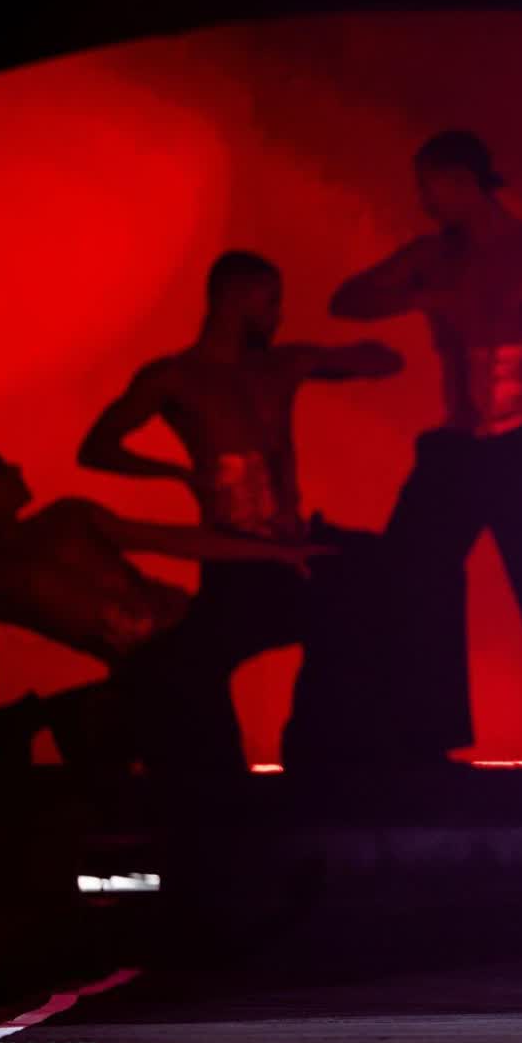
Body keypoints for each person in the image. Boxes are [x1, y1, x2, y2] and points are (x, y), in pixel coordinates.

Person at [330, 131, 522, 761]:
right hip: (459, 447)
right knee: (410, 574)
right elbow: (346, 300)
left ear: (461, 181)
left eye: (428, 185)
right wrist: (421, 293)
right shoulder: (434, 255)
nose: (424, 200)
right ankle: (422, 741)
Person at [78, 251, 401, 767]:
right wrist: (177, 473)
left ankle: (319, 755)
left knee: (378, 591)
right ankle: (214, 774)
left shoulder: (280, 365)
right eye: (271, 301)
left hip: (295, 548)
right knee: (184, 662)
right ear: (237, 298)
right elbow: (96, 448)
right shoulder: (175, 378)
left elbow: (385, 360)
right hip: (235, 556)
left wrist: (332, 358)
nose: (277, 314)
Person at [0, 448, 325, 771]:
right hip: (154, 667)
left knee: (323, 606)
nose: (15, 468)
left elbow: (167, 539)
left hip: (194, 626)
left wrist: (276, 552)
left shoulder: (69, 516)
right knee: (202, 765)